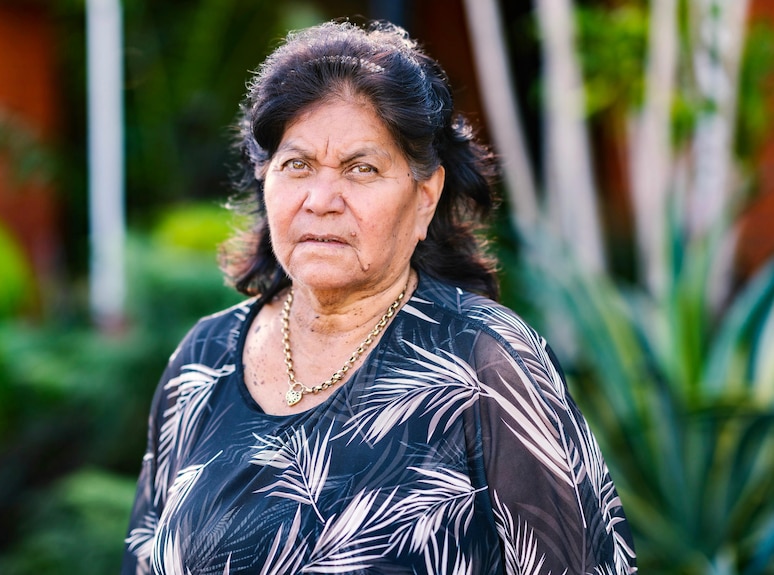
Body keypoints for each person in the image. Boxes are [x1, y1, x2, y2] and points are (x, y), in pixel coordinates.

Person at [121, 19, 636, 575]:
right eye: (297, 166)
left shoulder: (485, 366)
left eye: (361, 168)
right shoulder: (204, 360)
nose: (321, 199)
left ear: (424, 197)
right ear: (264, 178)